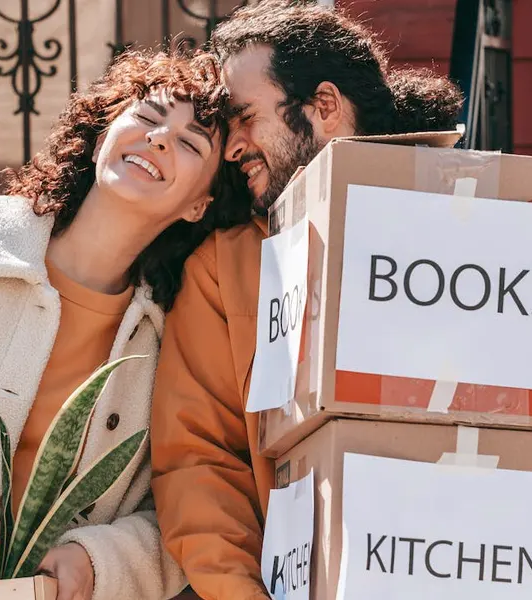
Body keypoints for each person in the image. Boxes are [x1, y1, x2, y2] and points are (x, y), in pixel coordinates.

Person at [0, 49, 251, 600]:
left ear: (199, 206)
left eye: (189, 143)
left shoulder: (173, 338)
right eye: (147, 116)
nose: (160, 139)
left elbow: (181, 506)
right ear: (101, 133)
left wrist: (99, 562)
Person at [150, 2, 464, 598]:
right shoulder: (225, 268)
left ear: (323, 106)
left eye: (243, 118)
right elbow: (200, 464)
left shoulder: (479, 223)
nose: (231, 146)